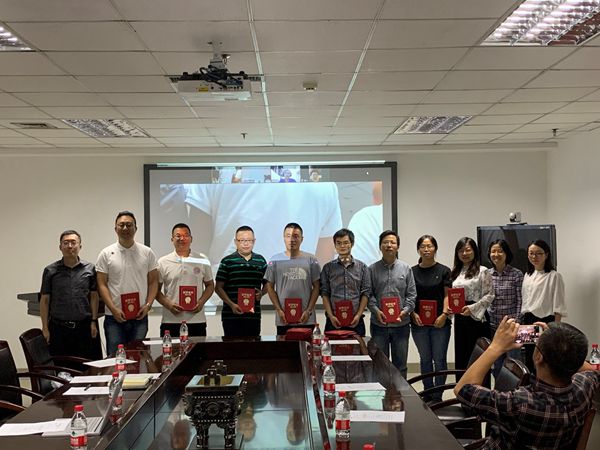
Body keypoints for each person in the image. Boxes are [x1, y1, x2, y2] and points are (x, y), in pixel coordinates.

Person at [454, 316, 599, 449]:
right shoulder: (583, 388)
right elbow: (593, 369)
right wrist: (558, 344)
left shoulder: (519, 404)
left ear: (538, 357)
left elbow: (462, 389)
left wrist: (496, 347)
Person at [96, 211, 158, 355]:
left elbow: (153, 282)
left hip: (140, 316)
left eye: (129, 225)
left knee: (138, 357)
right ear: (115, 228)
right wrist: (113, 309)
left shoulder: (147, 252)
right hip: (114, 317)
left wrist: (148, 305)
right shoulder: (106, 253)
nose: (125, 228)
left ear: (136, 228)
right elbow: (101, 284)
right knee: (115, 358)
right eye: (121, 225)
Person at [40, 230, 101, 360]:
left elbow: (94, 297)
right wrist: (45, 327)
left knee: (87, 366)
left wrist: (94, 321)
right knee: (61, 367)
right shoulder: (50, 270)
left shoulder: (90, 269)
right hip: (58, 328)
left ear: (80, 246)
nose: (69, 246)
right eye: (66, 243)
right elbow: (44, 300)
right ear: (60, 247)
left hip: (84, 327)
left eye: (73, 242)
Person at [367, 230, 416, 378]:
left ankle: (400, 393)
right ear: (380, 246)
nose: (389, 245)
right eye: (385, 242)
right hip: (379, 325)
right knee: (380, 365)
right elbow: (368, 295)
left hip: (401, 325)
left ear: (398, 246)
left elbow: (411, 295)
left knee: (400, 366)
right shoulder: (372, 269)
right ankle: (384, 393)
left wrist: (404, 311)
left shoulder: (406, 268)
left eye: (392, 242)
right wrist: (376, 311)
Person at [410, 235, 452, 401]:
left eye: (429, 246)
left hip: (440, 323)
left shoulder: (444, 270)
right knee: (425, 360)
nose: (426, 249)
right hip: (419, 323)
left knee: (440, 360)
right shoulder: (412, 271)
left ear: (435, 248)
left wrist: (444, 315)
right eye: (422, 246)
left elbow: (447, 295)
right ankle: (428, 393)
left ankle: (438, 395)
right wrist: (412, 313)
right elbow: (409, 296)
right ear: (418, 249)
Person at [156, 223, 214, 337]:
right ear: (172, 239)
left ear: (191, 239)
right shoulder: (162, 262)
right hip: (170, 320)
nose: (182, 238)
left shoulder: (202, 260)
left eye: (186, 235)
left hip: (197, 320)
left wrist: (201, 302)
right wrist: (168, 304)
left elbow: (210, 285)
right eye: (178, 236)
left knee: (198, 349)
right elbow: (155, 290)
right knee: (170, 349)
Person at [264, 223, 321, 336]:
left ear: (302, 239)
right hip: (283, 318)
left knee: (307, 347)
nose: (292, 240)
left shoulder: (311, 260)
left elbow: (317, 286)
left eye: (296, 236)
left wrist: (309, 310)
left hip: (306, 318)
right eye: (288, 236)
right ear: (284, 238)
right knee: (284, 347)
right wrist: (278, 310)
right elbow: (269, 287)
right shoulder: (274, 260)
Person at [520, 239, 566, 372]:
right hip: (528, 319)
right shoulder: (528, 275)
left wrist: (555, 329)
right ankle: (530, 383)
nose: (534, 257)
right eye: (531, 253)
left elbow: (559, 305)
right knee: (529, 357)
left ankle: (543, 384)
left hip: (545, 321)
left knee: (544, 357)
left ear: (546, 255)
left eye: (539, 253)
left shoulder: (554, 276)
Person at [215, 226, 267, 337]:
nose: (246, 243)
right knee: (231, 347)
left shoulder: (261, 260)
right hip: (231, 316)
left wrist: (262, 293)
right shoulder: (227, 261)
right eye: (242, 240)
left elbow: (268, 284)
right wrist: (231, 304)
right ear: (235, 242)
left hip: (253, 316)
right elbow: (218, 288)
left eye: (249, 240)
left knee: (253, 346)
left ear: (254, 241)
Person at [451, 237, 494, 371]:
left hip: (477, 317)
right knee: (462, 355)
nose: (464, 253)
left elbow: (490, 295)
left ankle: (480, 384)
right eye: (461, 251)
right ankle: (463, 384)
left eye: (468, 250)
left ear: (474, 251)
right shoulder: (455, 272)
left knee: (478, 356)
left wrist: (472, 308)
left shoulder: (483, 270)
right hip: (460, 317)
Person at [320, 228, 371, 336]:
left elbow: (366, 293)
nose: (342, 246)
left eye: (345, 242)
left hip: (356, 320)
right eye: (338, 243)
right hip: (333, 320)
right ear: (335, 245)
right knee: (332, 347)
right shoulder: (327, 268)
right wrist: (331, 316)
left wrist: (358, 315)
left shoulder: (362, 267)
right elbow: (325, 293)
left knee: (358, 347)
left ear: (352, 244)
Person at [487, 239, 524, 376]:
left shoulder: (516, 274)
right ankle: (499, 389)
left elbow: (521, 300)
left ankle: (515, 389)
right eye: (493, 251)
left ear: (506, 253)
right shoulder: (487, 274)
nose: (496, 254)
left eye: (500, 251)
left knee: (513, 364)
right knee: (497, 364)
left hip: (512, 327)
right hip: (494, 326)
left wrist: (516, 321)